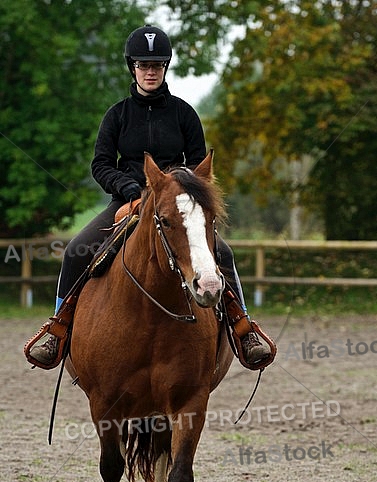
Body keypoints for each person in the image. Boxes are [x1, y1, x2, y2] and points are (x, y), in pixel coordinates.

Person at [30, 25, 270, 367]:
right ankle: (57, 330)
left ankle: (244, 330)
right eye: (143, 65)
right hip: (126, 200)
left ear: (165, 67)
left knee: (224, 254)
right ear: (133, 67)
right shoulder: (116, 115)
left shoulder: (185, 114)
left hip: (177, 207)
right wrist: (126, 186)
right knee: (74, 252)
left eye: (157, 65)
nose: (150, 71)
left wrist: (176, 191)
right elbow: (100, 164)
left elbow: (197, 168)